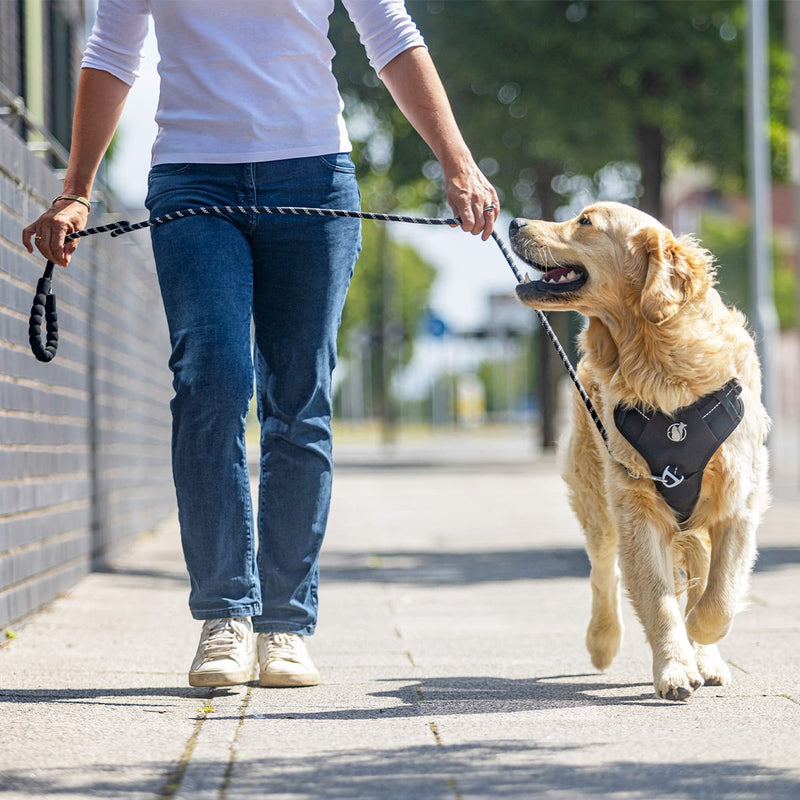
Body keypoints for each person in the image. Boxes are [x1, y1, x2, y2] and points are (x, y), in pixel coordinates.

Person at [23, 0, 499, 689]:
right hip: (193, 179)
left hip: (313, 178)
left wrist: (458, 163)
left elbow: (391, 35)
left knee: (299, 399)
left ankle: (286, 625)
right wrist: (76, 190)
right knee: (210, 379)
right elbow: (111, 53)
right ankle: (225, 615)